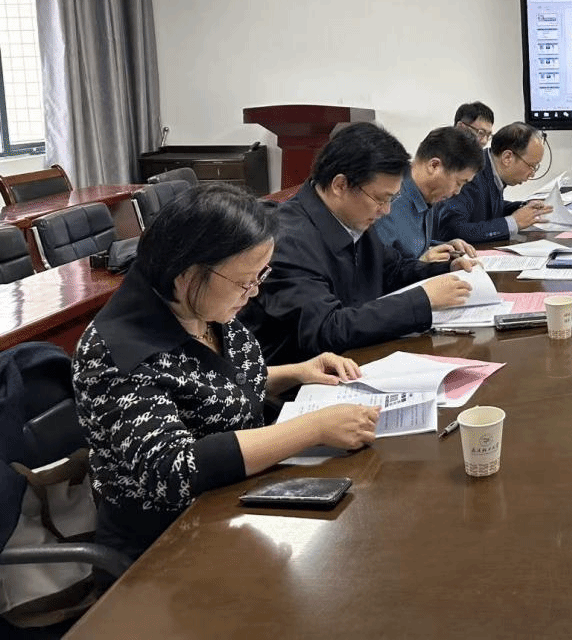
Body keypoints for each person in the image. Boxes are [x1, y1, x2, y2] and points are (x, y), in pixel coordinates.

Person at [72, 184, 380, 561]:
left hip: (241, 504)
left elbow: (210, 387)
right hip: (169, 547)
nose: (253, 292)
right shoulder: (117, 352)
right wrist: (313, 429)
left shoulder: (202, 308)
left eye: (260, 277)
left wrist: (296, 372)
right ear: (187, 275)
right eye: (245, 281)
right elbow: (176, 469)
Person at [241, 122, 472, 364]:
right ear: (340, 185)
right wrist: (422, 301)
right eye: (380, 199)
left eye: (392, 199)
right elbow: (326, 329)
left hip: (353, 357)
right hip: (302, 376)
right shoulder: (287, 239)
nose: (386, 210)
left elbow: (391, 269)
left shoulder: (351, 218)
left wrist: (444, 269)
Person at [375, 126, 484, 259]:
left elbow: (410, 246)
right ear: (434, 165)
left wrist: (445, 246)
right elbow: (378, 266)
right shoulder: (389, 201)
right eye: (458, 182)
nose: (457, 191)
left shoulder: (427, 195)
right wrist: (422, 264)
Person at [436, 122, 552, 244]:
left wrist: (523, 207)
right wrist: (514, 222)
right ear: (507, 158)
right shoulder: (470, 176)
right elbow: (455, 231)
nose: (532, 174)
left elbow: (484, 209)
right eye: (531, 166)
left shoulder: (491, 169)